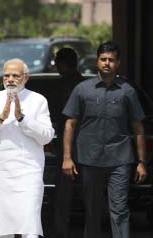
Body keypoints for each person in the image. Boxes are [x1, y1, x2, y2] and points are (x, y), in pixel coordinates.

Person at [62, 41, 147, 238]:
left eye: (111, 60)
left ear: (118, 63)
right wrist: (67, 157)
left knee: (119, 209)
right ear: (97, 61)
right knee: (92, 211)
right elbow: (70, 124)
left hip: (120, 159)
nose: (107, 63)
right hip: (90, 159)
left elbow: (138, 127)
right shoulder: (82, 89)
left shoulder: (128, 90)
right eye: (103, 59)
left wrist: (142, 162)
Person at [0, 58, 54, 238]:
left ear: (26, 77)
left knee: (29, 226)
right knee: (2, 228)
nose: (10, 79)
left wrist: (22, 118)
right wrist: (0, 118)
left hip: (28, 173)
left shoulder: (37, 100)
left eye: (15, 75)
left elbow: (46, 136)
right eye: (6, 75)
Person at [53, 48, 83, 238]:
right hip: (89, 147)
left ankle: (60, 231)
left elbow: (63, 118)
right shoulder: (88, 85)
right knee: (93, 194)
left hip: (67, 147)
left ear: (61, 64)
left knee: (63, 195)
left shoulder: (63, 86)